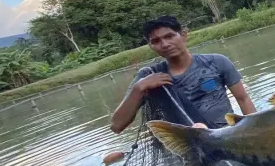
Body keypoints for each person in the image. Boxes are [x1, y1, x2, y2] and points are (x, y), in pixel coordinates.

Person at [110, 15, 256, 134]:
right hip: (185, 147)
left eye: (169, 36)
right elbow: (117, 126)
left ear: (183, 35)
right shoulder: (148, 76)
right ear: (151, 46)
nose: (165, 44)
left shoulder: (216, 62)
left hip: (226, 136)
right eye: (156, 41)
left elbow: (243, 99)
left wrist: (254, 132)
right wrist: (139, 88)